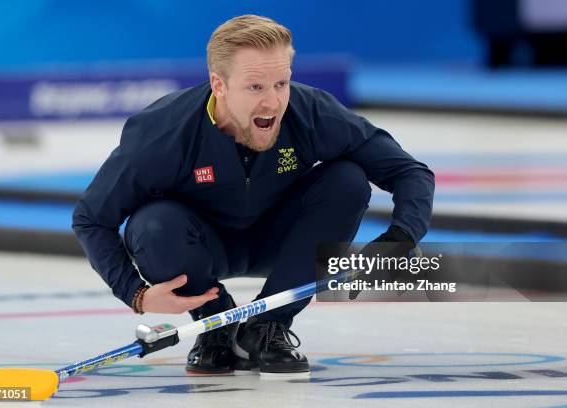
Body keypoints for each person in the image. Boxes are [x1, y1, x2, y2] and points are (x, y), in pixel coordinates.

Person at [72, 14, 434, 376]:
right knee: (151, 223)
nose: (273, 103)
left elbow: (409, 171)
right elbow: (92, 218)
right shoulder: (162, 132)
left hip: (282, 240)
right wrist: (135, 293)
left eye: (281, 83)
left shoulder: (311, 112)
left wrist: (402, 236)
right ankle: (215, 324)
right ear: (220, 85)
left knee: (348, 180)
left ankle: (266, 327)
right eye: (255, 87)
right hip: (199, 243)